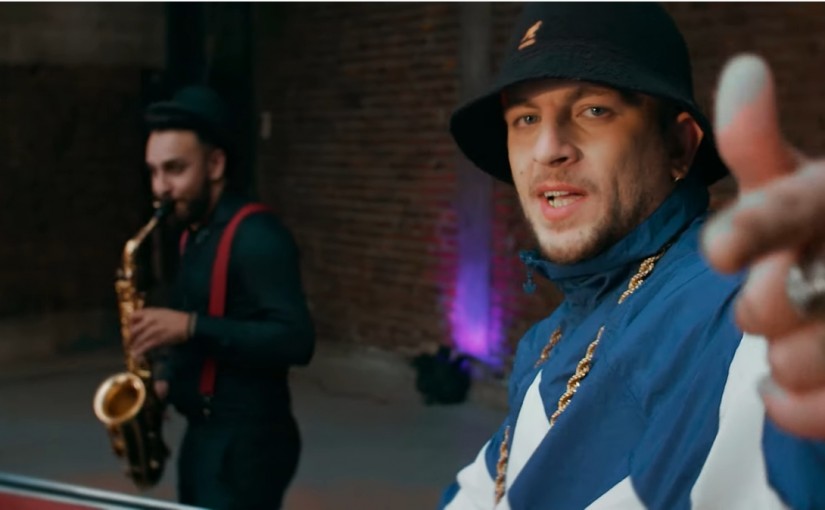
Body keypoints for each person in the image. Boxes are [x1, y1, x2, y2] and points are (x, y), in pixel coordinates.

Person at [439, 3, 825, 509]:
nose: (548, 149)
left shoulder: (738, 310)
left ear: (678, 146)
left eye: (594, 111)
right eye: (526, 119)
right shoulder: (547, 340)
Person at [130, 85, 315, 509]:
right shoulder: (194, 233)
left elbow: (296, 340)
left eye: (175, 170)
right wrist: (166, 378)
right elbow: (203, 324)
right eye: (154, 172)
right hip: (205, 435)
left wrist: (190, 327)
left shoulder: (258, 236)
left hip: (249, 443)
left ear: (215, 164)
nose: (160, 187)